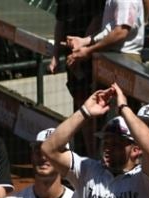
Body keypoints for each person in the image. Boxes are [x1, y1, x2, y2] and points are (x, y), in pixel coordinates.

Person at [52, 0, 106, 155]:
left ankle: (95, 155)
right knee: (81, 106)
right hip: (74, 58)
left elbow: (96, 26)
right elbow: (60, 25)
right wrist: (55, 55)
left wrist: (82, 52)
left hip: (92, 58)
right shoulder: (64, 5)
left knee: (96, 109)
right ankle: (89, 154)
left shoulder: (96, 4)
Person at [66, 0, 145, 68]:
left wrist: (88, 51)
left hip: (124, 59)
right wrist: (84, 41)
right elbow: (111, 30)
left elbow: (121, 32)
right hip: (113, 57)